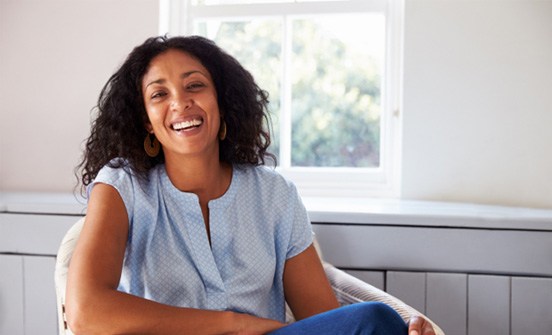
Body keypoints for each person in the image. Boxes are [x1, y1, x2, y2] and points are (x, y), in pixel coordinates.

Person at [66, 35, 435, 335]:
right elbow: (85, 313)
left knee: (377, 322)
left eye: (195, 85)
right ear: (146, 121)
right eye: (159, 94)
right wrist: (233, 324)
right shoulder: (122, 185)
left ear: (222, 103)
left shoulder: (274, 195)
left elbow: (323, 322)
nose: (180, 102)